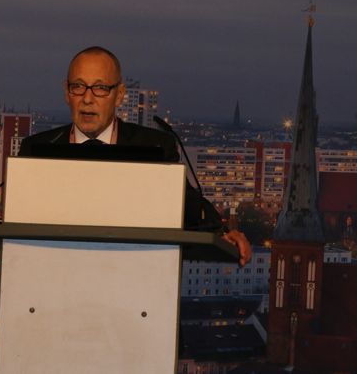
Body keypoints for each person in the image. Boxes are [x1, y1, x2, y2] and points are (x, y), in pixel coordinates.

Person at [19, 46, 252, 266]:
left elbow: (188, 205)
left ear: (119, 95)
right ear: (66, 92)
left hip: (133, 275)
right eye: (78, 86)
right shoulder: (36, 148)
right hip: (55, 270)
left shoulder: (155, 146)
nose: (87, 98)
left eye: (100, 88)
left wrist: (223, 234)